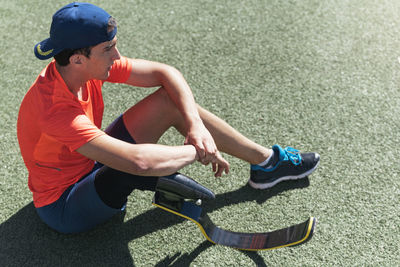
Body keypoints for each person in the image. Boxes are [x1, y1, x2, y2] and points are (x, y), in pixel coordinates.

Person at [17, 2, 320, 234]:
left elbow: (165, 73)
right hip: (66, 204)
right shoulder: (55, 110)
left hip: (92, 163)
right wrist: (197, 150)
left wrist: (197, 127)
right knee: (133, 166)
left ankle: (266, 163)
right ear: (78, 59)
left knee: (168, 101)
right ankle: (158, 182)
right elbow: (139, 162)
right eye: (108, 48)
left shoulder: (78, 69)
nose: (117, 55)